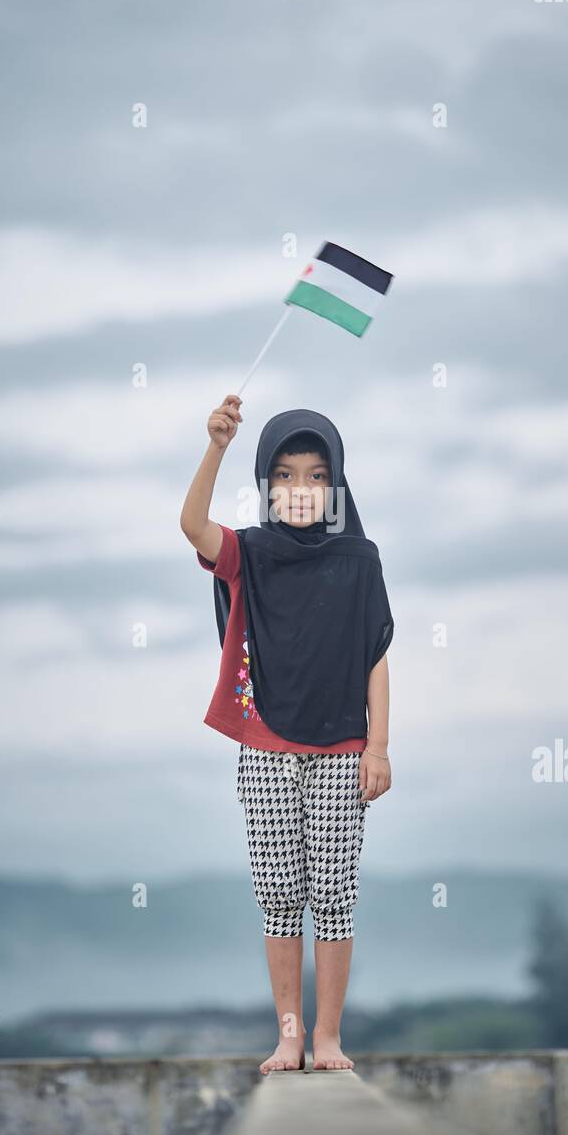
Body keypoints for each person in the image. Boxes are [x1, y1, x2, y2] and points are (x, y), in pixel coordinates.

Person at [180, 394, 394, 1072]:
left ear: (334, 484)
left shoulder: (359, 558)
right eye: (282, 474)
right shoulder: (250, 552)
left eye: (313, 474)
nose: (298, 488)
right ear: (264, 484)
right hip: (265, 745)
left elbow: (376, 654)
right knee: (279, 895)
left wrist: (379, 747)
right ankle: (290, 1035)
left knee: (332, 895)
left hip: (341, 750)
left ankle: (328, 1038)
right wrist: (214, 444)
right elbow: (191, 526)